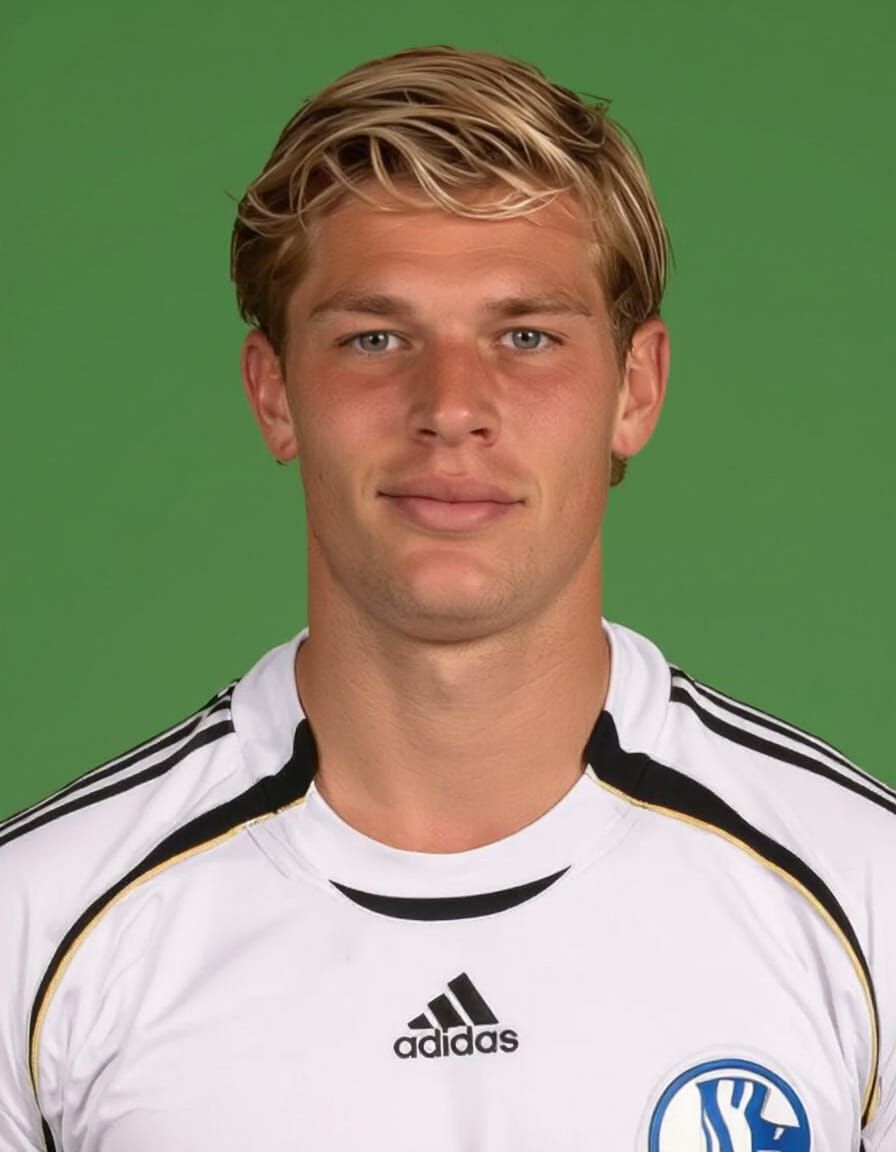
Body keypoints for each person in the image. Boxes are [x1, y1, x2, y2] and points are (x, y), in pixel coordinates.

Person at [1, 44, 893, 1152]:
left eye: (526, 337)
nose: (451, 406)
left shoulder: (864, 894)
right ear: (275, 395)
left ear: (636, 390)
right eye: (375, 338)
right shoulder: (35, 931)